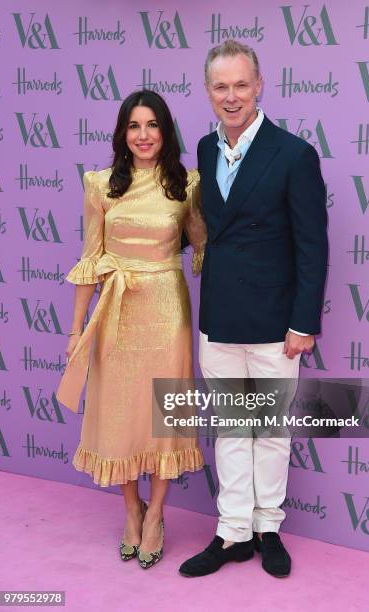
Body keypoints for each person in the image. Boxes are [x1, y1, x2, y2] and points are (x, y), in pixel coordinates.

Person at [179, 40, 328, 578]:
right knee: (230, 428)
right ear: (208, 92)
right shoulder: (202, 148)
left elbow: (312, 245)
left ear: (259, 84)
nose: (232, 96)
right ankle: (233, 531)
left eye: (241, 84)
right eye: (221, 87)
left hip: (274, 324)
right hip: (219, 318)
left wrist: (303, 323)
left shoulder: (293, 153)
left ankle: (269, 528)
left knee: (269, 430)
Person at [56, 90, 207, 570]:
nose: (143, 135)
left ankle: (157, 513)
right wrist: (75, 330)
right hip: (117, 312)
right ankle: (130, 510)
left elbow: (204, 244)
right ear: (123, 132)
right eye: (134, 125)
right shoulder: (100, 184)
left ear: (166, 131)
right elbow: (90, 259)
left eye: (152, 125)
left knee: (166, 413)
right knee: (120, 412)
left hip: (168, 310)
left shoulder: (189, 183)